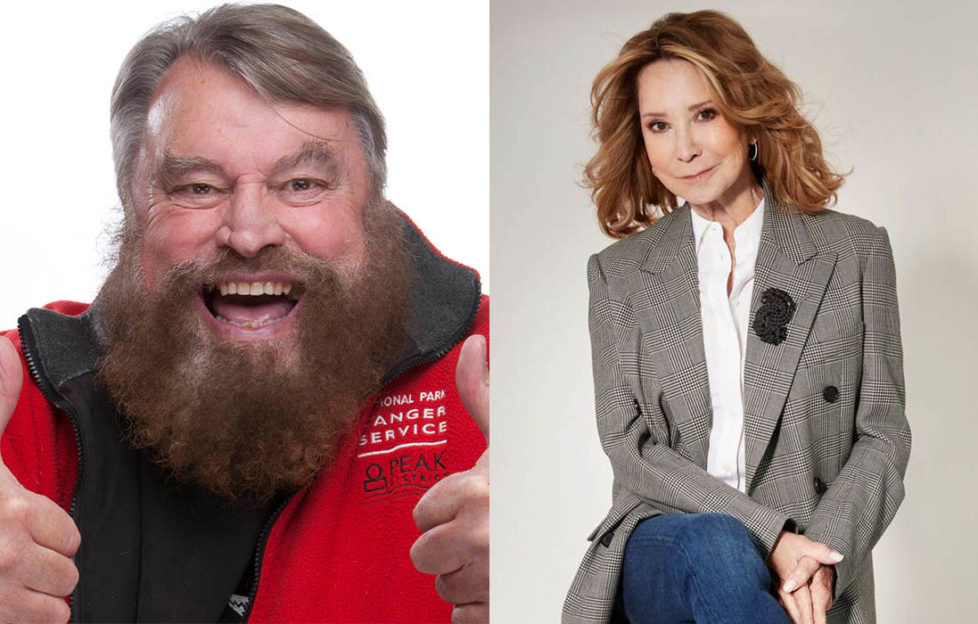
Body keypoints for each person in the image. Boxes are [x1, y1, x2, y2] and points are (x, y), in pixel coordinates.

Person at [0, 4, 488, 623]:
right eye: (198, 187)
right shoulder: (19, 399)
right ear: (133, 205)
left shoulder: (500, 371)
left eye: (303, 184)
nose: (250, 233)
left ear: (371, 202)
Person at [563, 11, 909, 624]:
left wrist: (817, 557)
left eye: (705, 114)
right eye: (659, 125)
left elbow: (882, 435)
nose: (685, 148)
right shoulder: (618, 275)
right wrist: (767, 534)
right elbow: (628, 445)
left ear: (746, 115)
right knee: (718, 543)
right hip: (667, 541)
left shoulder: (853, 253)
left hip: (810, 548)